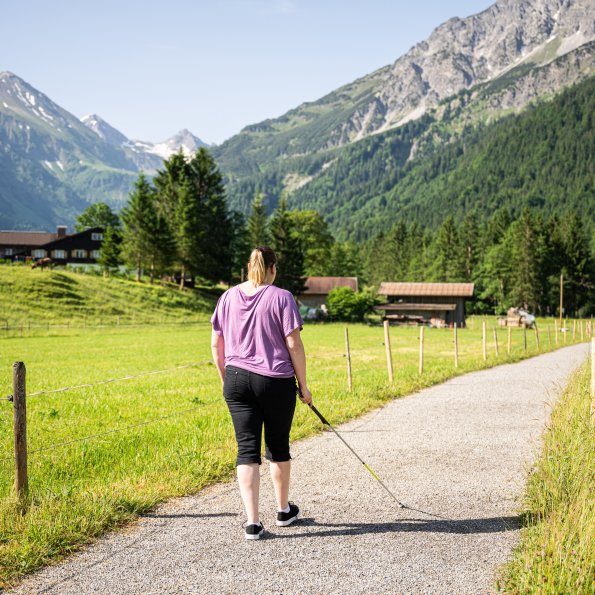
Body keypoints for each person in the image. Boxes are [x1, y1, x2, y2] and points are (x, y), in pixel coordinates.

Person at [211, 246, 313, 540]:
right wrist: (304, 386)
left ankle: (253, 523)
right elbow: (293, 344)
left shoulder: (228, 296)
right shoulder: (282, 297)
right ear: (272, 268)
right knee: (278, 447)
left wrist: (225, 379)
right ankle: (283, 511)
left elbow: (216, 344)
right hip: (275, 382)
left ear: (248, 267)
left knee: (246, 450)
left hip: (236, 379)